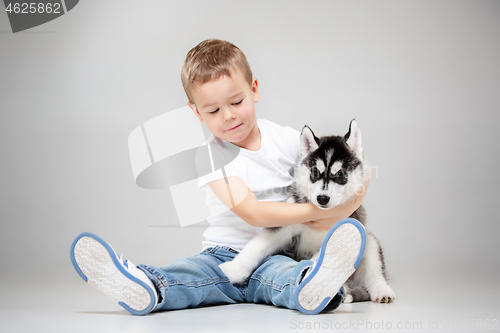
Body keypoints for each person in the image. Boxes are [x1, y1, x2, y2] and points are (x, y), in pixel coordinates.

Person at [70, 39, 369, 316]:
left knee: (286, 276)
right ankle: (145, 284)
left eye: (236, 102)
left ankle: (317, 286)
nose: (228, 115)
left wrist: (348, 202)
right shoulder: (209, 157)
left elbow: (354, 171)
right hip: (221, 256)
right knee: (190, 274)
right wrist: (323, 210)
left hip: (279, 251)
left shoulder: (288, 140)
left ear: (254, 89)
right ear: (197, 113)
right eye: (213, 110)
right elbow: (253, 213)